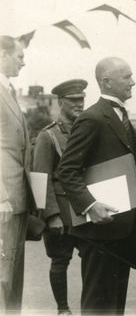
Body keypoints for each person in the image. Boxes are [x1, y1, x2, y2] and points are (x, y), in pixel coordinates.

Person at [57, 57, 136, 314]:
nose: (133, 81)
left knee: (114, 305)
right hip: (100, 233)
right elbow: (66, 170)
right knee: (98, 305)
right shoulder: (92, 118)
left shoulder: (119, 115)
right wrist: (90, 205)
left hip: (121, 230)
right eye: (126, 76)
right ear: (107, 81)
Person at [32, 79, 88, 315]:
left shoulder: (85, 131)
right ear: (61, 102)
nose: (79, 104)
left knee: (91, 258)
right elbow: (39, 177)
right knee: (60, 261)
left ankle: (90, 307)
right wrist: (52, 215)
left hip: (84, 208)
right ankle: (63, 309)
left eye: (82, 100)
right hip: (60, 212)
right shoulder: (49, 136)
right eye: (74, 101)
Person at [0, 35, 35, 312]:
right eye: (20, 56)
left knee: (13, 279)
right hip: (5, 202)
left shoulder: (8, 91)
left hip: (18, 199)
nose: (24, 62)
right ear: (2, 54)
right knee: (3, 276)